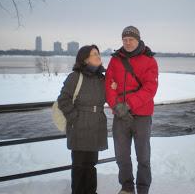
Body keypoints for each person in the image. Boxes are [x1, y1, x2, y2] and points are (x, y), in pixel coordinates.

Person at [105, 26, 159, 194]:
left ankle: (143, 189)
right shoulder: (115, 60)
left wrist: (127, 105)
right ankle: (127, 188)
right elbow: (108, 85)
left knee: (143, 157)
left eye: (131, 40)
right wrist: (116, 106)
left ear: (138, 40)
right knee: (121, 156)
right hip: (120, 115)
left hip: (141, 115)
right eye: (125, 40)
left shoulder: (149, 60)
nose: (127, 43)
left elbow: (150, 88)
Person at [57, 45, 108, 194]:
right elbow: (63, 100)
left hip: (96, 126)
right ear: (85, 59)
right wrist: (75, 118)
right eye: (94, 54)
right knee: (79, 165)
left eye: (98, 53)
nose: (98, 56)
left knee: (91, 164)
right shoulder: (75, 77)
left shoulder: (101, 78)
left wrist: (114, 85)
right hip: (79, 126)